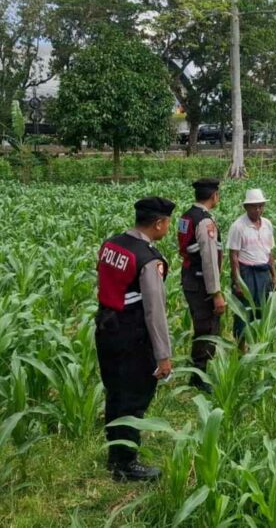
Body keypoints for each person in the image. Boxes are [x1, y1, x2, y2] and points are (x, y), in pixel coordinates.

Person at [94, 196, 175, 482]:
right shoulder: (148, 259)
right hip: (132, 334)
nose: (168, 227)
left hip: (106, 327)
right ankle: (126, 463)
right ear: (158, 223)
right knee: (134, 396)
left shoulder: (111, 244)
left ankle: (115, 452)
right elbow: (155, 311)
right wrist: (163, 355)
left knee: (114, 391)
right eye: (167, 222)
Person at [177, 178, 226, 392]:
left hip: (189, 277)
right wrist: (216, 292)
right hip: (201, 281)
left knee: (201, 324)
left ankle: (199, 371)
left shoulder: (186, 216)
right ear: (214, 196)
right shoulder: (204, 222)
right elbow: (209, 260)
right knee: (207, 327)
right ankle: (199, 374)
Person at [227, 188, 276, 350]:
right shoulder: (238, 226)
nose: (258, 210)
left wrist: (274, 276)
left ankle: (258, 347)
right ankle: (241, 349)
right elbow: (233, 255)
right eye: (254, 206)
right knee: (243, 314)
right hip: (246, 273)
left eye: (261, 206)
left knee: (263, 312)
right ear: (246, 207)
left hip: (263, 273)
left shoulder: (267, 224)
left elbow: (270, 253)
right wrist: (237, 282)